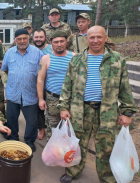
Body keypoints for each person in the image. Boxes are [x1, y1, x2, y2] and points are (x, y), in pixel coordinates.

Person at [57, 26, 138, 183]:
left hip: (106, 111)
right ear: (87, 39)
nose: (95, 40)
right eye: (92, 37)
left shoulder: (117, 60)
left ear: (106, 38)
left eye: (99, 37)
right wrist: (63, 107)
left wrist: (127, 112)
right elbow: (67, 85)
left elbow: (124, 87)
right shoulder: (76, 59)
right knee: (77, 143)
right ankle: (73, 171)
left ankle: (107, 177)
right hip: (80, 110)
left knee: (106, 146)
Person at [1, 29, 44, 152]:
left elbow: (42, 72)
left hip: (30, 93)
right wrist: (17, 77)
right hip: (13, 93)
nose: (22, 41)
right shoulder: (9, 53)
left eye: (24, 38)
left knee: (31, 121)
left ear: (28, 37)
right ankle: (13, 138)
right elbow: (5, 69)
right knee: (12, 119)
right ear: (15, 40)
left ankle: (29, 141)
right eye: (19, 39)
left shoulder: (37, 53)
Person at [37, 30, 75, 141]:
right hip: (52, 98)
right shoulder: (45, 59)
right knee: (52, 127)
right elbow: (40, 80)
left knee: (70, 127)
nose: (59, 44)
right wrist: (40, 99)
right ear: (51, 43)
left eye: (62, 41)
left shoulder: (74, 57)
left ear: (66, 42)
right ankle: (52, 152)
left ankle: (67, 152)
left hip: (71, 99)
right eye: (56, 42)